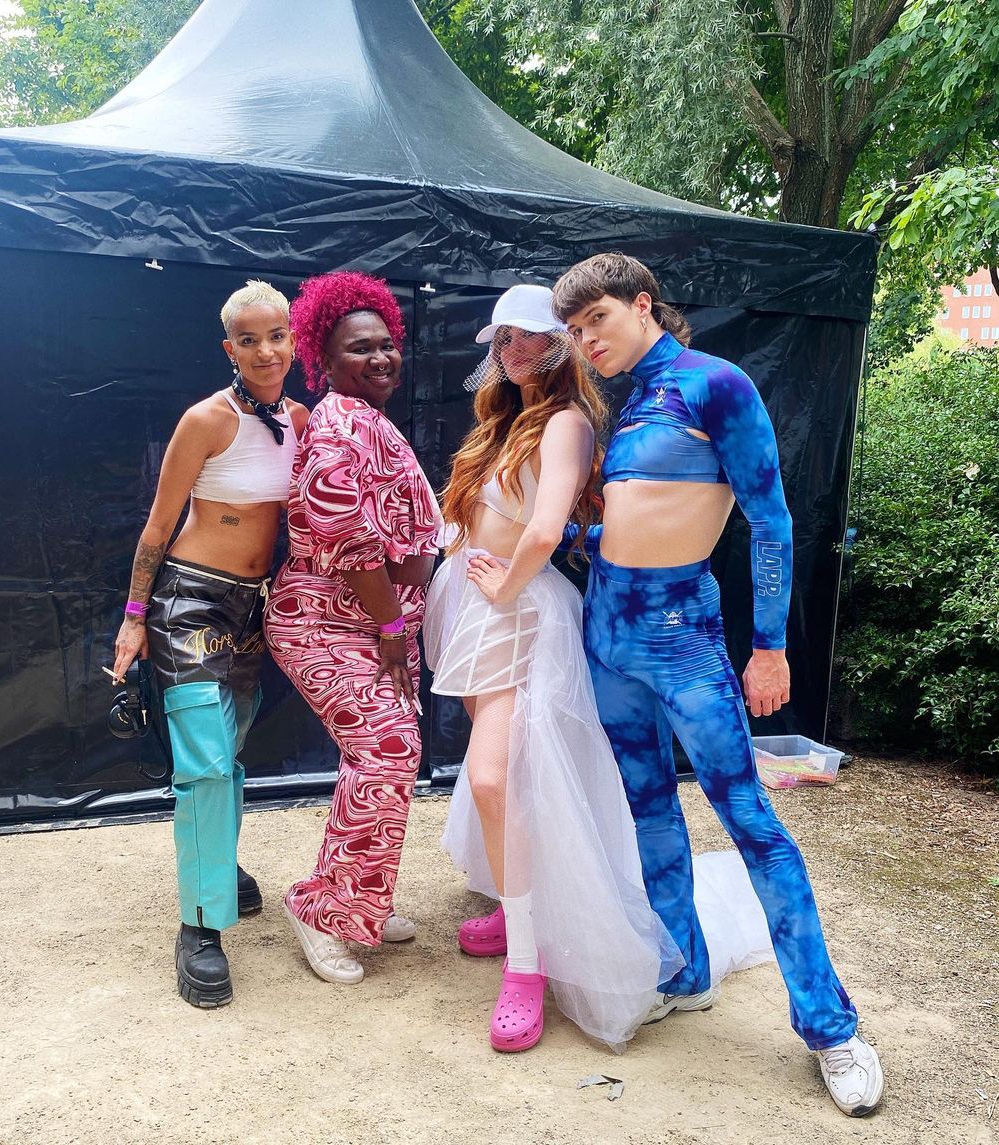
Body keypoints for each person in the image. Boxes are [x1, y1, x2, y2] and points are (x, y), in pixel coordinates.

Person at [552, 252, 884, 1115]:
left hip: (683, 639)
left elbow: (770, 520)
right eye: (576, 330)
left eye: (597, 320)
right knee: (649, 811)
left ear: (642, 304)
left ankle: (830, 1025)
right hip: (609, 634)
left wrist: (770, 647)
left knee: (751, 822)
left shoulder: (715, 384)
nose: (587, 341)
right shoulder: (627, 403)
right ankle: (683, 970)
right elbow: (636, 520)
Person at [423, 285, 773, 1054]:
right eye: (502, 338)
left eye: (528, 336)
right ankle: (523, 908)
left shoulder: (566, 421)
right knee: (511, 778)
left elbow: (546, 528)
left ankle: (527, 963)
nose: (512, 349)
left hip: (517, 613)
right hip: (476, 608)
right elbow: (475, 515)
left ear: (562, 344)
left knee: (492, 777)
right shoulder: (504, 420)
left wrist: (504, 589)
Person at [111, 280, 309, 1009]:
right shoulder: (206, 419)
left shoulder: (300, 420)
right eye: (249, 339)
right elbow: (159, 524)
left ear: (293, 339)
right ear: (230, 348)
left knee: (232, 746)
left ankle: (216, 864)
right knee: (205, 761)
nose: (265, 350)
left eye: (276, 335)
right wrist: (135, 616)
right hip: (189, 600)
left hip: (254, 605)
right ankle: (200, 925)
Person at [263, 271, 442, 985]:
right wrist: (393, 627)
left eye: (387, 344)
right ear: (324, 359)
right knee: (385, 749)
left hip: (371, 623)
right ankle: (323, 909)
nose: (381, 357)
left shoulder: (369, 419)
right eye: (360, 348)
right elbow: (350, 544)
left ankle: (361, 895)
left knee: (388, 756)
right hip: (325, 623)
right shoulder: (339, 426)